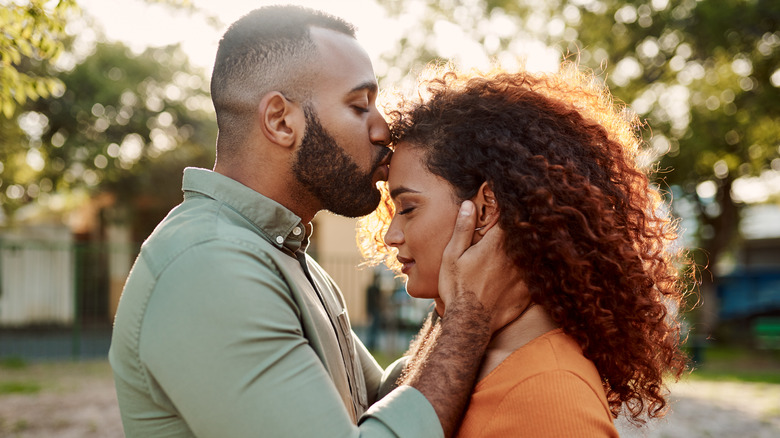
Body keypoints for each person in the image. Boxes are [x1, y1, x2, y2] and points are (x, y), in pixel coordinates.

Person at [109, 6, 523, 438]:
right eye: (360, 105)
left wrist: (466, 285)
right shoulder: (208, 265)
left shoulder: (278, 253)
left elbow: (377, 403)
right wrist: (467, 321)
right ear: (280, 120)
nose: (384, 130)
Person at [358, 63, 689, 437]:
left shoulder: (550, 395)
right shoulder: (480, 366)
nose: (391, 235)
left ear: (485, 208)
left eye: (407, 209)